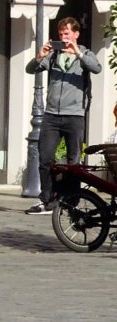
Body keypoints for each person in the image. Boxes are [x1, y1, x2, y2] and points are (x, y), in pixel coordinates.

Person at [24, 17, 102, 215]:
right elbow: (30, 69)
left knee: (73, 162)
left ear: (76, 34)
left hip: (74, 115)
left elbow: (96, 68)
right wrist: (40, 56)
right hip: (51, 115)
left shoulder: (84, 54)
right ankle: (47, 201)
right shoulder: (53, 56)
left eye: (66, 33)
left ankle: (72, 200)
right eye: (61, 34)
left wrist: (78, 52)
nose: (63, 37)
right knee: (45, 159)